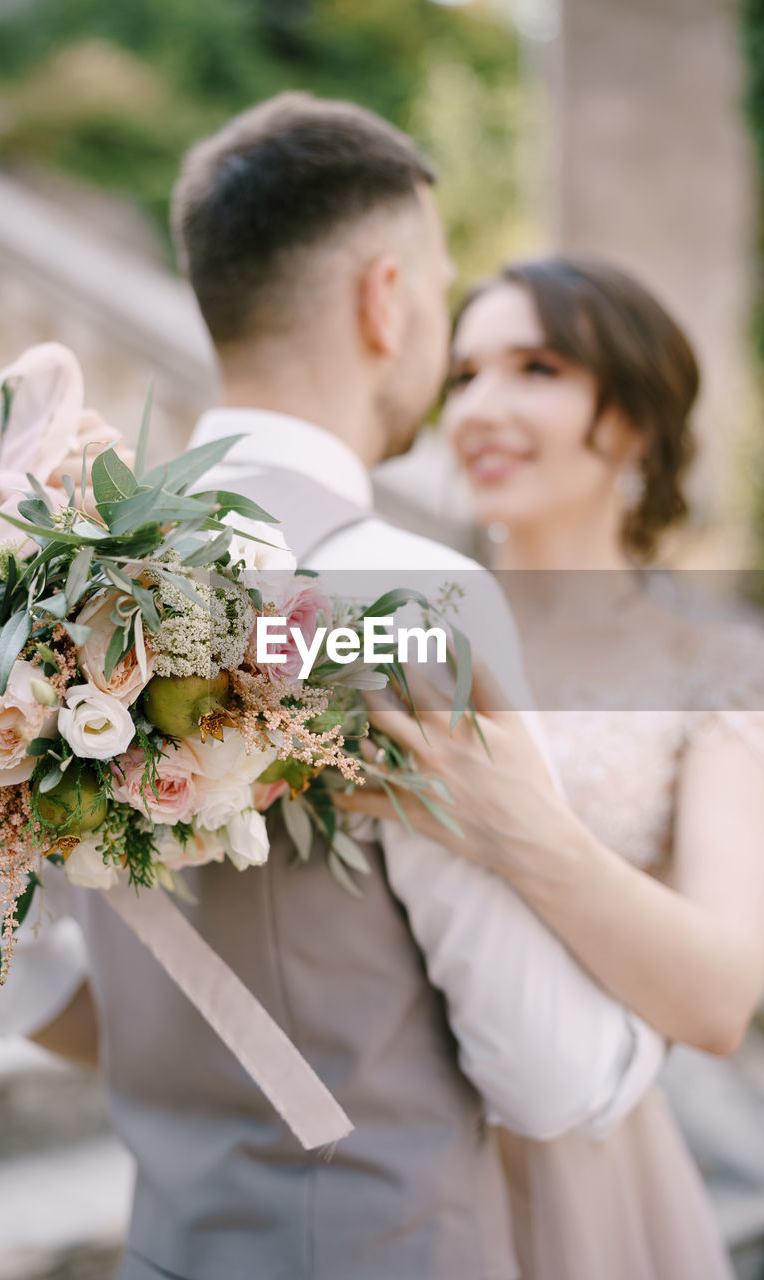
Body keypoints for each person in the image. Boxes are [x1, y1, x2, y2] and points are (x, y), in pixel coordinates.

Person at [0, 105, 666, 1280]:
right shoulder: (409, 595)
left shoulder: (40, 578)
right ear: (386, 298)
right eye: (440, 286)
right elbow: (548, 1071)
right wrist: (644, 1033)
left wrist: (200, 1076)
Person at [338, 256, 764, 1279]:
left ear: (630, 417)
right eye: (465, 374)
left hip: (583, 1151)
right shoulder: (392, 626)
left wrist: (511, 825)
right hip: (372, 1131)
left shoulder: (714, 665)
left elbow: (717, 997)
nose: (479, 406)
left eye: (534, 367)